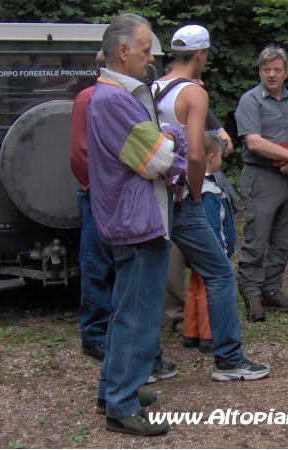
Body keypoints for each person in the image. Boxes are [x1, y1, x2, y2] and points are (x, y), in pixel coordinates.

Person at [87, 14, 187, 435]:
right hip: (137, 221)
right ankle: (121, 404)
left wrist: (161, 136)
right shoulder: (113, 100)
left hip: (133, 218)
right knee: (138, 314)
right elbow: (159, 160)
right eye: (146, 51)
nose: (152, 58)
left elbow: (157, 146)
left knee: (127, 309)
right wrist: (169, 138)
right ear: (123, 52)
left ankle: (113, 386)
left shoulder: (115, 96)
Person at [152, 24, 270, 381]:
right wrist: (196, 190)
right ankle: (229, 360)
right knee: (218, 272)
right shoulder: (193, 93)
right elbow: (198, 151)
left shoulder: (153, 87)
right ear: (201, 55)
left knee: (150, 277)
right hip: (182, 197)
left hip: (154, 194)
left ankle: (149, 362)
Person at [235, 44, 288, 322]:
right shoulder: (250, 101)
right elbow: (254, 142)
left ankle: (271, 290)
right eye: (267, 70)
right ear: (260, 72)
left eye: (277, 70)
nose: (272, 75)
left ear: (286, 72)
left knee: (286, 239)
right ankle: (251, 292)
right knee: (257, 237)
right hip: (262, 176)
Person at [70, 50, 112, 362]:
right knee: (95, 263)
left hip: (118, 195)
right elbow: (80, 153)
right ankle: (94, 333)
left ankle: (112, 327)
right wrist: (96, 187)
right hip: (98, 193)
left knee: (112, 264)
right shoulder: (89, 98)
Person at [182, 132, 236, 353]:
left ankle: (190, 332)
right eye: (221, 157)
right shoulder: (210, 190)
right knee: (207, 290)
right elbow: (212, 224)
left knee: (194, 289)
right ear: (212, 157)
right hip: (210, 249)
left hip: (194, 251)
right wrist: (220, 250)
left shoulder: (191, 184)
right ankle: (208, 334)